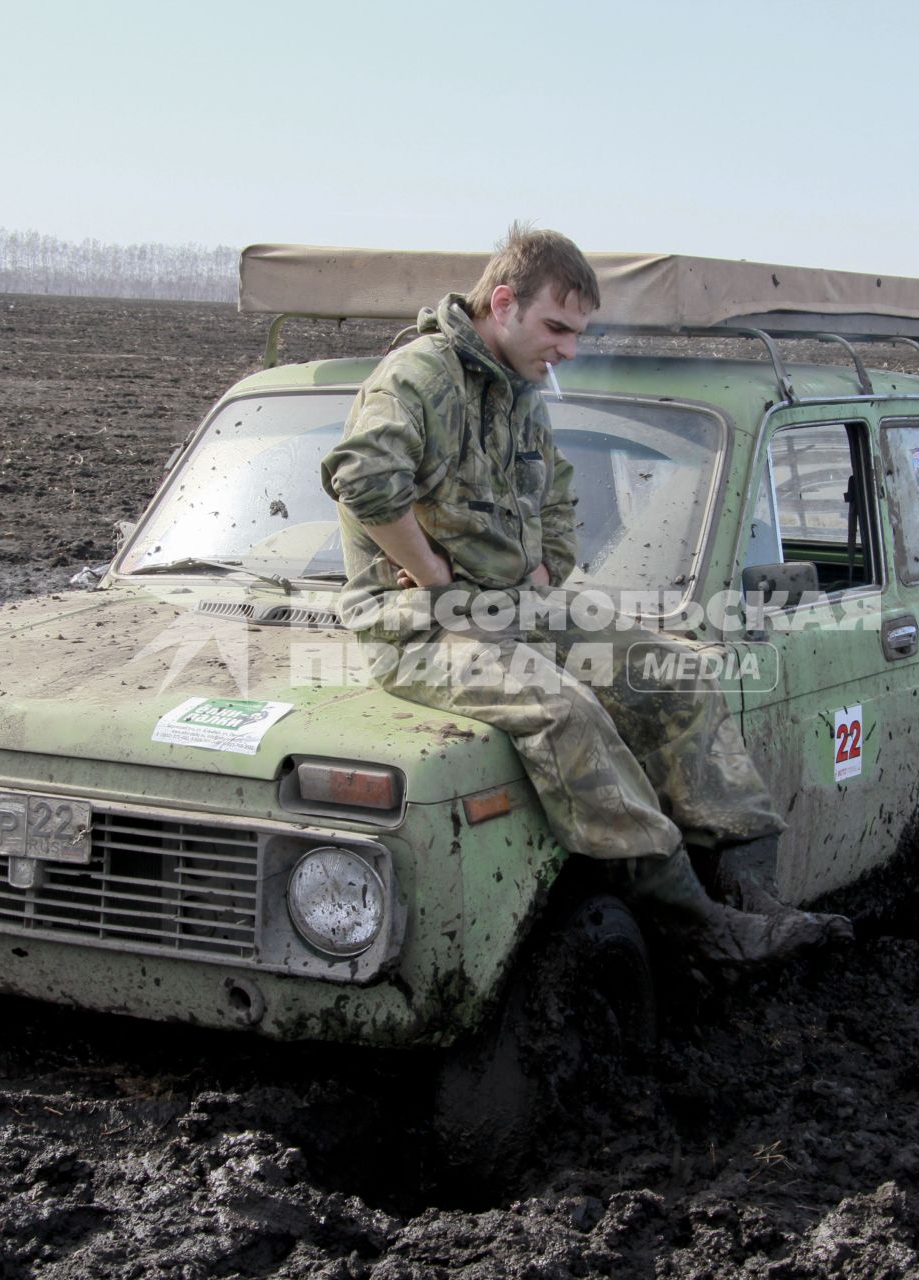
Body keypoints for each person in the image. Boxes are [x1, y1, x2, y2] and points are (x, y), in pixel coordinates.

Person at [319, 225, 851, 964]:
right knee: (566, 712)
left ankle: (746, 885)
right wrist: (432, 574)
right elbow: (362, 477)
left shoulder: (518, 392)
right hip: (420, 628)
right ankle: (693, 923)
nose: (568, 348)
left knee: (674, 674)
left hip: (515, 607)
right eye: (557, 327)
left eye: (578, 332)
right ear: (502, 302)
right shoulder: (419, 378)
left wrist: (546, 569)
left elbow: (558, 496)